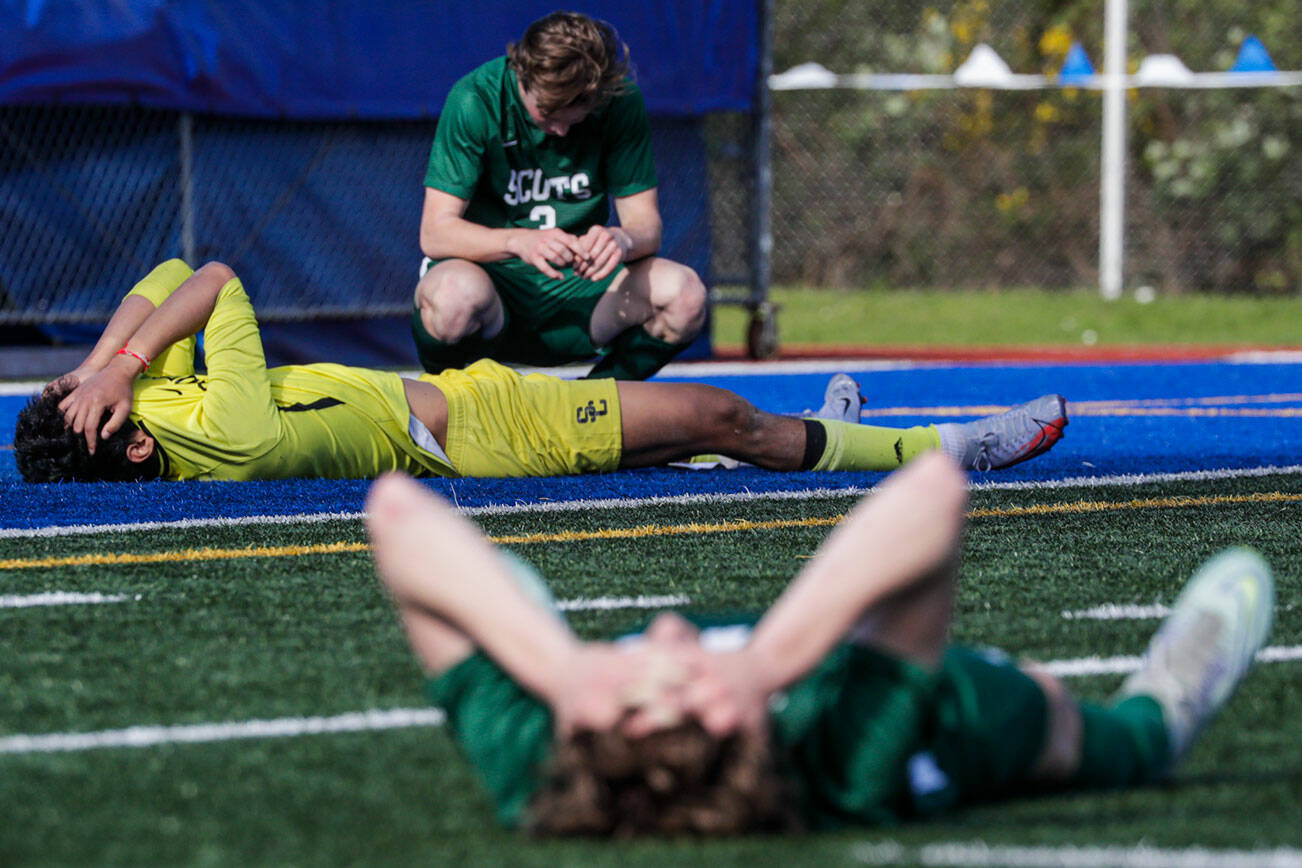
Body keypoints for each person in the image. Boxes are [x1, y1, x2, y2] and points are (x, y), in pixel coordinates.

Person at [365, 454, 1275, 835]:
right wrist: (763, 666)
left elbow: (397, 510)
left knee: (500, 608)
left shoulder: (539, 756)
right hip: (957, 720)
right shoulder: (838, 761)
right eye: (683, 681)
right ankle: (1160, 712)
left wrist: (560, 668)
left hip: (714, 700)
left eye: (635, 682)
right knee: (1075, 726)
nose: (663, 648)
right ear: (744, 726)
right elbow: (933, 491)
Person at [14, 260, 1067, 484]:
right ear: (134, 434)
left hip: (478, 399)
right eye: (102, 401)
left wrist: (102, 367)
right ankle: (946, 451)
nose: (109, 383)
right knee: (715, 417)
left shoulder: (155, 424)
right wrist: (127, 359)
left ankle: (834, 422)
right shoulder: (226, 433)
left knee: (699, 433)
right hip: (487, 436)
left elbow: (159, 273)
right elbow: (217, 281)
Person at [412, 10, 707, 379]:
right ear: (522, 74)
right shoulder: (475, 99)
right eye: (548, 113)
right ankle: (445, 408)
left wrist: (622, 240)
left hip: (582, 288)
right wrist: (519, 241)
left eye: (576, 117)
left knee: (685, 294)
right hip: (492, 288)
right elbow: (435, 233)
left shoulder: (620, 103)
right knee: (453, 296)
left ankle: (597, 404)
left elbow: (647, 226)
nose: (561, 131)